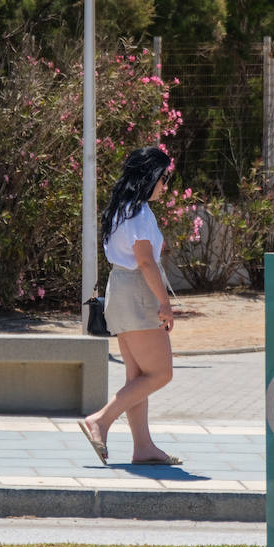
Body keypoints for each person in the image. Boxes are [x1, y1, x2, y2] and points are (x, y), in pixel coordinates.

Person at [77, 146, 182, 466]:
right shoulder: (138, 213)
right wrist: (165, 303)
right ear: (149, 176)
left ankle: (143, 447)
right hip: (137, 290)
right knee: (161, 373)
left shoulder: (123, 208)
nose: (166, 185)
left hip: (120, 289)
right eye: (163, 178)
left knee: (137, 375)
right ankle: (100, 421)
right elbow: (146, 263)